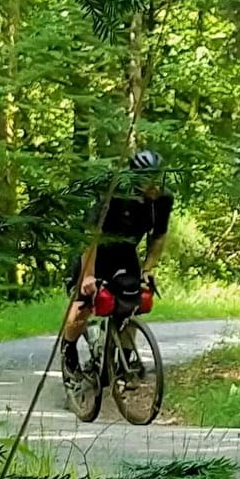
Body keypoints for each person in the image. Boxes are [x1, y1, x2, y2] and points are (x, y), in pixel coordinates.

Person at [62, 149, 172, 359]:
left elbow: (159, 236)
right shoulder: (113, 193)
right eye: (149, 179)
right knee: (84, 303)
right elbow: (91, 235)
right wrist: (88, 275)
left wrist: (148, 268)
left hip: (126, 254)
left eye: (158, 178)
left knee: (133, 303)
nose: (155, 185)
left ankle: (124, 363)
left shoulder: (163, 200)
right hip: (96, 253)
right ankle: (69, 351)